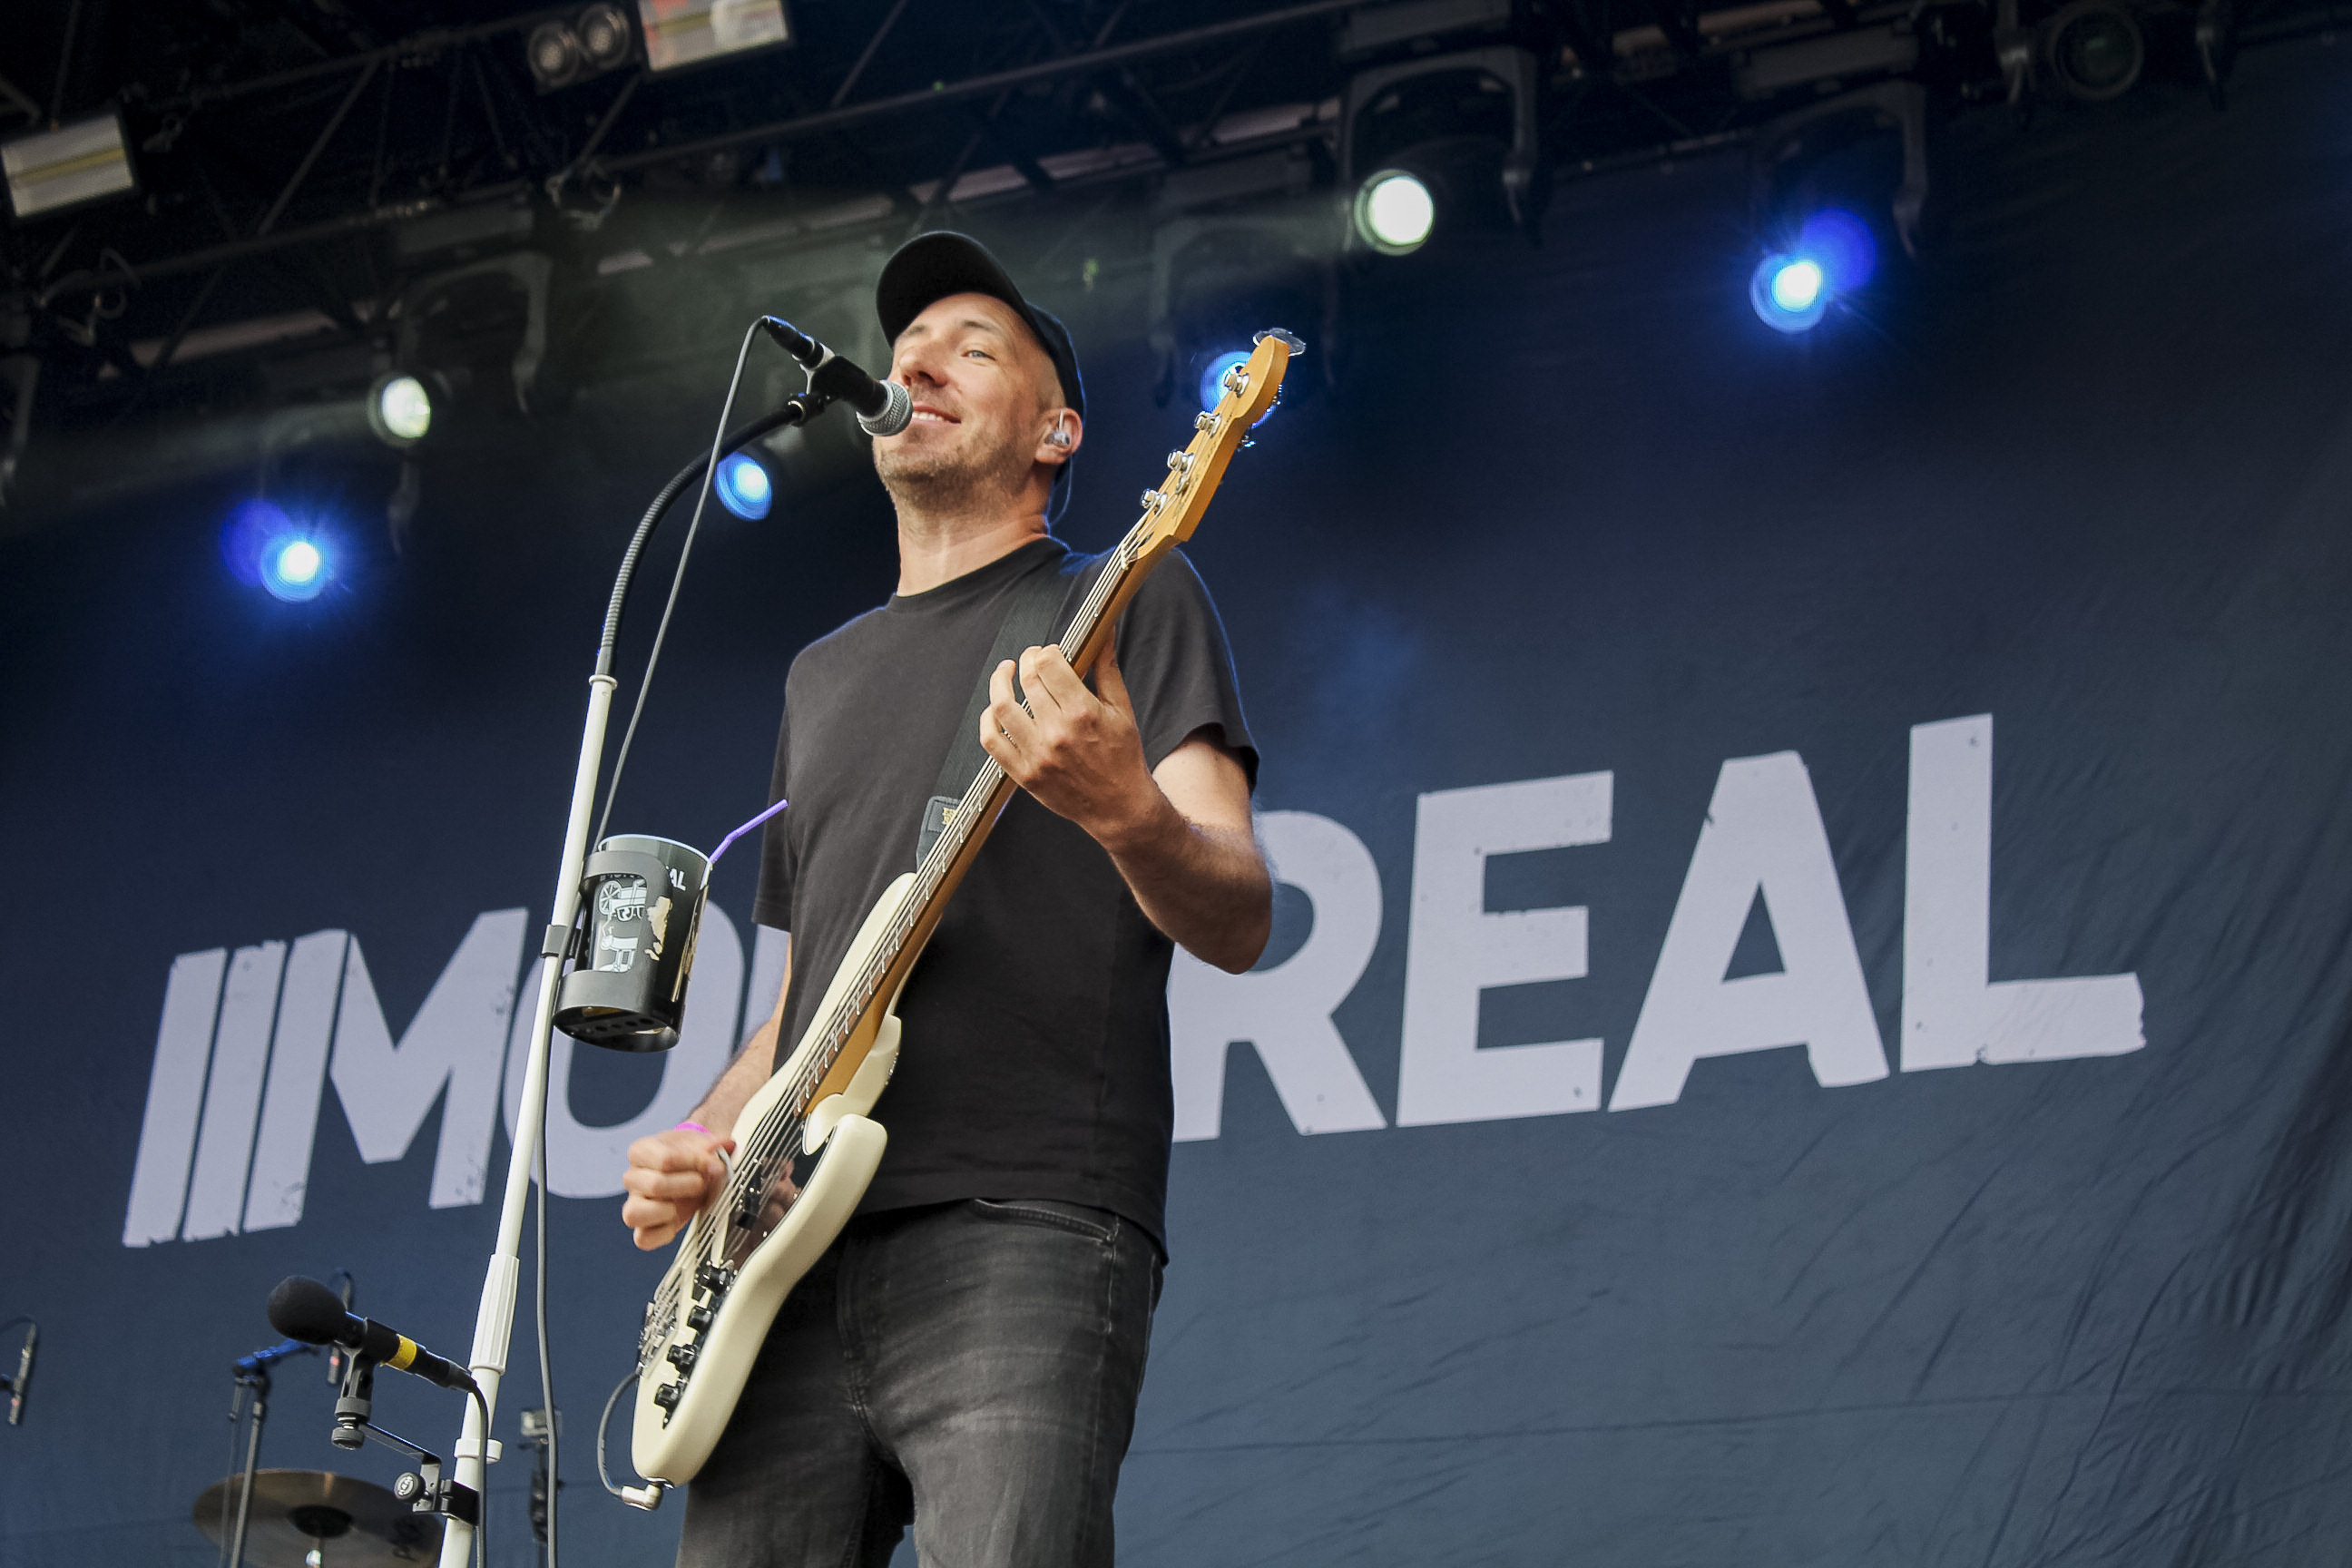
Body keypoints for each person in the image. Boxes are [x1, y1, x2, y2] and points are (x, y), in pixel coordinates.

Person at [618, 230, 1272, 1568]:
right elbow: (807, 999)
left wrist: (1122, 808)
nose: (918, 365)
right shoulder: (820, 677)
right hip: (780, 1250)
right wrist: (707, 1135)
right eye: (909, 348)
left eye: (974, 351)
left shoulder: (1126, 597)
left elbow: (1239, 913)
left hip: (1019, 1220)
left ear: (1056, 431)